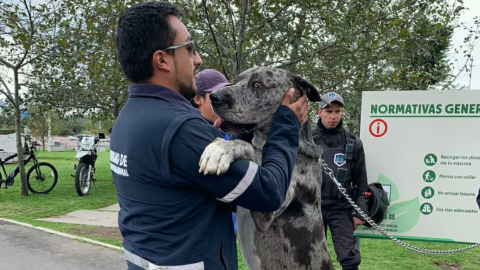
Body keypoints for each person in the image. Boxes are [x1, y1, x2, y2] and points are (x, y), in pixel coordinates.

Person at [111, 2, 310, 269]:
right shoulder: (181, 130)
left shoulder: (129, 116)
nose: (197, 59)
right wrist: (285, 126)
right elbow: (269, 192)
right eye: (189, 48)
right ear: (161, 60)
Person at [312, 92, 369, 270]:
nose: (333, 116)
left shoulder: (354, 143)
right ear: (319, 112)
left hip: (341, 208)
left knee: (349, 258)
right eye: (329, 111)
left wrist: (359, 212)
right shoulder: (306, 140)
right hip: (313, 208)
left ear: (342, 112)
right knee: (310, 256)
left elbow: (362, 182)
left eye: (337, 111)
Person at [190, 68, 240, 235]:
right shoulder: (193, 135)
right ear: (198, 99)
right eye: (216, 95)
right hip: (203, 232)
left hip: (226, 226)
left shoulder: (227, 129)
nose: (224, 100)